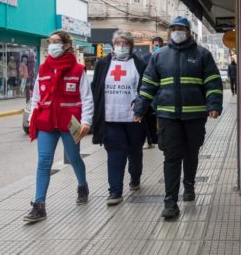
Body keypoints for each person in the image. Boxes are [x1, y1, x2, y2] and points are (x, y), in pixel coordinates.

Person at [133, 16, 223, 219]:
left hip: (195, 116)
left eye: (181, 28)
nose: (177, 31)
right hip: (168, 117)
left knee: (191, 153)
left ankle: (189, 185)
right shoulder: (159, 56)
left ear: (189, 31)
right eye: (173, 28)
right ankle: (170, 202)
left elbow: (213, 82)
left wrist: (214, 105)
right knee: (171, 157)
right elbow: (147, 85)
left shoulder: (202, 54)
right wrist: (140, 109)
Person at [23, 30, 93, 223]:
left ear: (66, 45)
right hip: (47, 122)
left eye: (56, 42)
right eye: (50, 42)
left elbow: (86, 98)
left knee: (73, 157)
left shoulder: (78, 70)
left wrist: (86, 121)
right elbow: (37, 96)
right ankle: (39, 205)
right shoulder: (43, 69)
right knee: (43, 162)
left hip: (70, 122)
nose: (52, 45)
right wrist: (33, 116)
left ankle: (82, 185)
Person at [91, 30, 148, 206]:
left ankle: (135, 176)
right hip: (110, 119)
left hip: (134, 119)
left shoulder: (139, 64)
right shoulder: (103, 64)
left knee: (135, 152)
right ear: (113, 44)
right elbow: (96, 89)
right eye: (118, 43)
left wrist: (140, 105)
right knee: (115, 154)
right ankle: (115, 191)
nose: (121, 46)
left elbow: (146, 88)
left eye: (125, 43)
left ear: (131, 46)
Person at [142, 36, 164, 147]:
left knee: (160, 117)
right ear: (152, 45)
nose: (158, 47)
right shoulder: (145, 58)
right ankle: (149, 140)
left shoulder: (164, 57)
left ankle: (160, 138)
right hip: (149, 92)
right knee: (148, 118)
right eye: (156, 46)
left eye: (160, 46)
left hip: (161, 93)